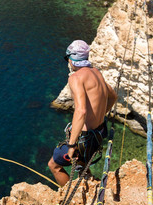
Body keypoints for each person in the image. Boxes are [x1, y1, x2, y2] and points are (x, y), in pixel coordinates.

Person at [48, 40, 118, 187]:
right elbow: (112, 96)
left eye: (67, 59)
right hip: (98, 133)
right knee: (82, 165)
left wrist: (72, 144)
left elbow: (81, 110)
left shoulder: (75, 78)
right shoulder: (96, 72)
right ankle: (87, 183)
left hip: (84, 140)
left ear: (72, 59)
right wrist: (100, 114)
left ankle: (70, 195)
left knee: (54, 165)